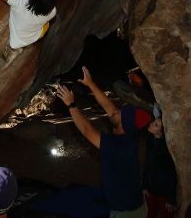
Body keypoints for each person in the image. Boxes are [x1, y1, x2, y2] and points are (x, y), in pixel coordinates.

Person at [55, 66, 151, 218]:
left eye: (119, 113)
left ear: (123, 125)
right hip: (132, 204)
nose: (115, 111)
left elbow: (87, 130)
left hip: (126, 212)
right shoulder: (128, 134)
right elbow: (111, 109)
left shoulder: (118, 147)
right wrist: (90, 83)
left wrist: (71, 105)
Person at [142, 103, 178, 218]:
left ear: (161, 132)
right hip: (151, 191)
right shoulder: (150, 140)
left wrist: (171, 199)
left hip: (164, 195)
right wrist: (145, 186)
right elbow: (147, 164)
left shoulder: (166, 150)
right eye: (154, 121)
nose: (152, 123)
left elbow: (171, 174)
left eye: (156, 125)